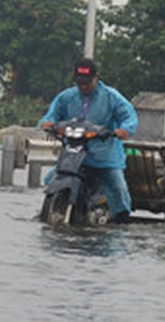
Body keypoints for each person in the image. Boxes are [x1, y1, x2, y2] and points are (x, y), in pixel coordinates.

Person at [40, 58, 138, 223]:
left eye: (87, 82)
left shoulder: (111, 97)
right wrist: (48, 123)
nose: (83, 86)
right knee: (50, 179)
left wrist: (124, 130)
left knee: (117, 188)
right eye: (79, 82)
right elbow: (52, 114)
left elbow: (128, 116)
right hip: (74, 154)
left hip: (104, 157)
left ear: (96, 77)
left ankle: (121, 221)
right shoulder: (66, 97)